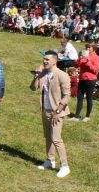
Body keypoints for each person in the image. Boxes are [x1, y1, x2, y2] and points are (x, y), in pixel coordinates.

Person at [30, 50, 72, 178]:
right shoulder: (43, 74)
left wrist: (57, 111)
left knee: (56, 139)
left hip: (57, 112)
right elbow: (33, 88)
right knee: (48, 137)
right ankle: (50, 160)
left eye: (47, 59)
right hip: (45, 110)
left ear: (55, 61)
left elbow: (67, 97)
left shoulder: (62, 75)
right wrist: (36, 75)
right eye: (44, 59)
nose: (44, 61)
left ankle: (65, 166)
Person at [68, 43, 99, 122]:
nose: (88, 49)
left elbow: (95, 70)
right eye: (87, 47)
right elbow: (76, 66)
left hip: (90, 79)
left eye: (89, 47)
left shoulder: (96, 57)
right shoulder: (84, 55)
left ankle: (87, 116)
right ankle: (76, 116)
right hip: (82, 79)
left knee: (89, 98)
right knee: (80, 97)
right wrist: (79, 59)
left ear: (93, 48)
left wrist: (88, 62)